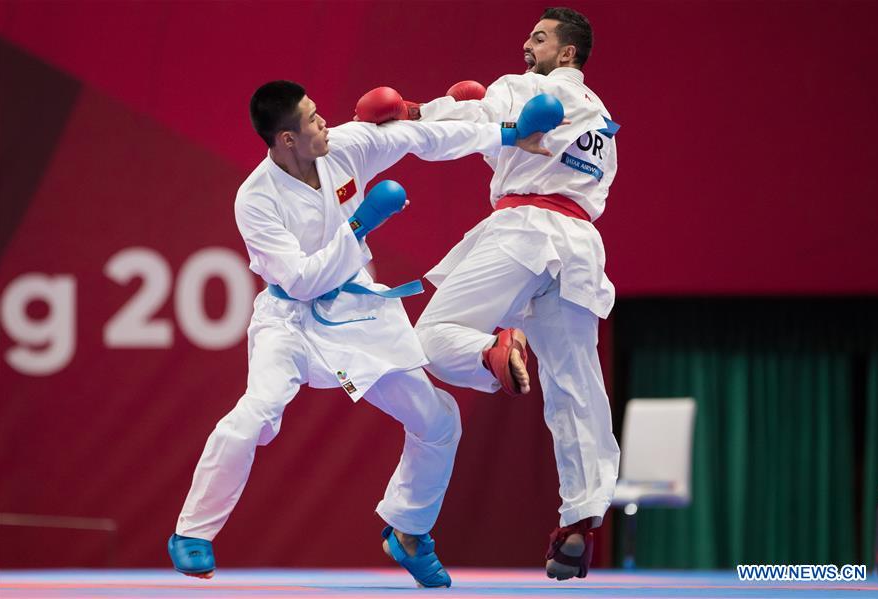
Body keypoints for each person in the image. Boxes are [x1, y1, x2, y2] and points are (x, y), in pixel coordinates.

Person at [167, 80, 558, 588]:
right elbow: (303, 278)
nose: (324, 121)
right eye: (311, 118)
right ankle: (193, 532)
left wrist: (508, 133)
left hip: (356, 316)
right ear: (287, 139)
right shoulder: (255, 200)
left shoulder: (346, 146)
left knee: (437, 419)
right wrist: (360, 227)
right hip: (289, 325)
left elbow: (422, 138)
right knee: (256, 412)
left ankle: (409, 531)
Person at [412, 7, 622, 581]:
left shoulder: (525, 89)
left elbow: (472, 127)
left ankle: (492, 351)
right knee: (576, 384)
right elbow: (511, 146)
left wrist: (413, 114)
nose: (526, 44)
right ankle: (579, 522)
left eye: (540, 37)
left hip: (524, 229)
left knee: (430, 338)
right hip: (580, 245)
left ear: (567, 54)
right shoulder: (602, 121)